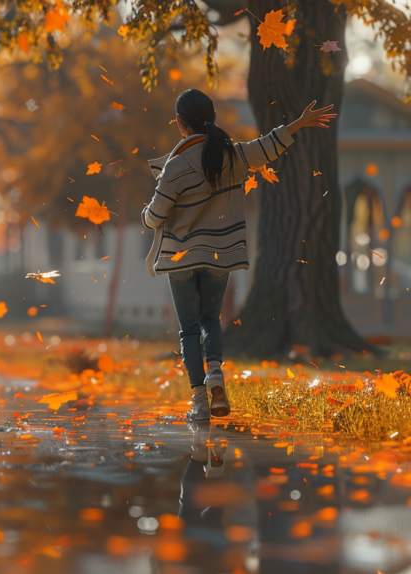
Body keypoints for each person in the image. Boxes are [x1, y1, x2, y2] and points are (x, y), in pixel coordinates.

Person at [142, 89, 335, 421]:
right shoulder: (232, 156)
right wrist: (299, 124)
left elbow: (155, 217)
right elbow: (268, 147)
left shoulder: (174, 168)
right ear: (212, 118)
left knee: (189, 330)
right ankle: (216, 371)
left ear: (180, 124)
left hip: (182, 261)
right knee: (211, 320)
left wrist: (146, 213)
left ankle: (200, 400)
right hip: (221, 256)